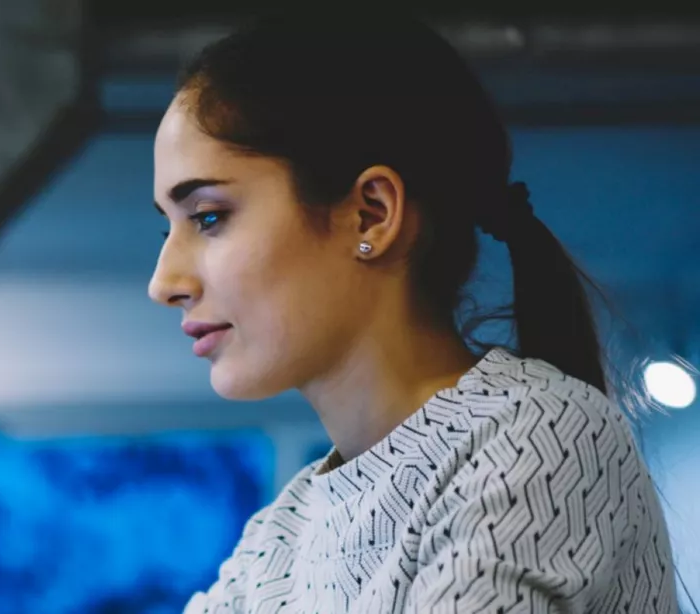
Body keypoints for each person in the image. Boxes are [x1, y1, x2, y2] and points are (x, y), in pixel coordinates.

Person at [148, 12, 679, 613]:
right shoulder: (277, 540)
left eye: (209, 217)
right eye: (166, 228)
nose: (164, 282)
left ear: (371, 214)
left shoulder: (535, 435)